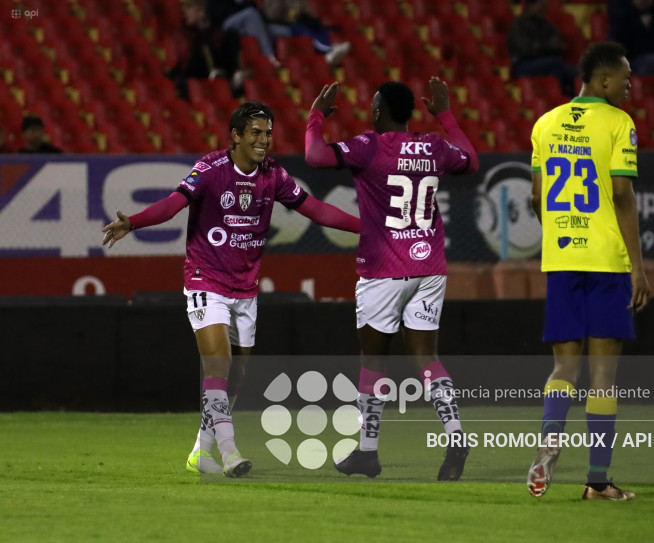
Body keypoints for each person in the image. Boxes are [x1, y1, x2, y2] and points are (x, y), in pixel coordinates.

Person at [102, 102, 360, 478]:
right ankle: (230, 452)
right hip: (206, 279)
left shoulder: (274, 175)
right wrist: (135, 223)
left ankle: (199, 453)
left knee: (233, 378)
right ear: (235, 136)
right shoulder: (210, 169)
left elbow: (317, 210)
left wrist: (366, 227)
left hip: (245, 289)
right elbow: (174, 205)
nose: (264, 140)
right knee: (218, 364)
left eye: (268, 133)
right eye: (255, 132)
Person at [305, 78, 479, 480]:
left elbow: (314, 156)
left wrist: (316, 115)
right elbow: (470, 161)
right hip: (429, 265)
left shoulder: (369, 146)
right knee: (427, 358)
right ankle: (455, 434)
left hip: (382, 270)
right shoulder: (434, 146)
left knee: (373, 360)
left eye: (373, 103)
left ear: (379, 110)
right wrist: (447, 115)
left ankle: (367, 451)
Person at [527, 41, 650, 501]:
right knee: (602, 377)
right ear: (603, 81)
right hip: (605, 262)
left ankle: (550, 437)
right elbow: (622, 196)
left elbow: (537, 198)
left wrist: (561, 235)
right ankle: (598, 481)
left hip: (561, 262)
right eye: (625, 77)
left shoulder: (545, 122)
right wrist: (638, 268)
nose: (631, 85)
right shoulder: (619, 123)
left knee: (563, 366)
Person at [169, 0, 242, 99]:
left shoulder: (208, 29)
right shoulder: (181, 33)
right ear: (186, 11)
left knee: (231, 36)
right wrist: (201, 35)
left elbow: (220, 46)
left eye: (203, 11)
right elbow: (185, 58)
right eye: (197, 11)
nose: (202, 15)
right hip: (190, 74)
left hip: (215, 70)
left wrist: (206, 32)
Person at [506, 0, 578, 95]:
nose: (543, 9)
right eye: (541, 6)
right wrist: (548, 46)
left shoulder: (545, 24)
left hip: (546, 62)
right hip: (523, 65)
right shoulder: (519, 24)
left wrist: (556, 45)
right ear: (530, 6)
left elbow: (558, 43)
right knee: (557, 65)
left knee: (557, 70)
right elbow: (525, 49)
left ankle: (564, 96)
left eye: (544, 6)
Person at [261, 0, 351, 67]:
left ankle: (329, 48)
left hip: (297, 22)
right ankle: (327, 51)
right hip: (279, 25)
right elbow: (271, 14)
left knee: (320, 29)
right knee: (304, 32)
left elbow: (305, 12)